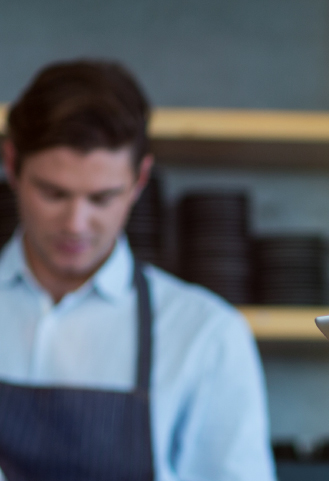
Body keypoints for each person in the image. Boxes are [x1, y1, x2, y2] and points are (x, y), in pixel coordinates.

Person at [0, 60, 275, 481]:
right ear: (11, 163)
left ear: (139, 179)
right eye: (53, 193)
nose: (76, 223)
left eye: (102, 197)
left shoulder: (206, 333)